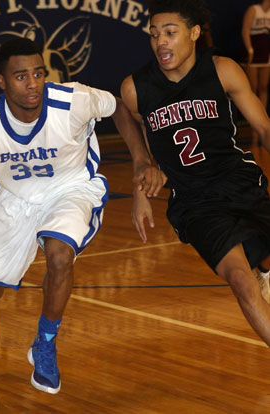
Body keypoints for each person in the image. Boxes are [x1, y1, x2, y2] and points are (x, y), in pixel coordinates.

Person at [0, 37, 153, 394]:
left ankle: (44, 344)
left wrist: (141, 160)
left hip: (70, 189)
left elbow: (116, 106)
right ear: (2, 81)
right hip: (14, 197)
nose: (33, 82)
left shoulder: (72, 100)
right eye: (21, 76)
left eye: (38, 73)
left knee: (59, 255)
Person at [121, 0, 270, 346]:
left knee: (258, 264)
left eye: (170, 33)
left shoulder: (222, 70)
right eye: (154, 34)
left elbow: (263, 126)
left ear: (194, 33)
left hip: (241, 182)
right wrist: (141, 173)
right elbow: (120, 112)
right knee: (239, 279)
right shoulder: (137, 88)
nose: (161, 42)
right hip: (195, 202)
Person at [241, 0, 270, 113]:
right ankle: (253, 116)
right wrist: (250, 50)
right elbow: (245, 30)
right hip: (252, 53)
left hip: (265, 53)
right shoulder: (253, 9)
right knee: (253, 88)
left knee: (263, 87)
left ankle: (262, 115)